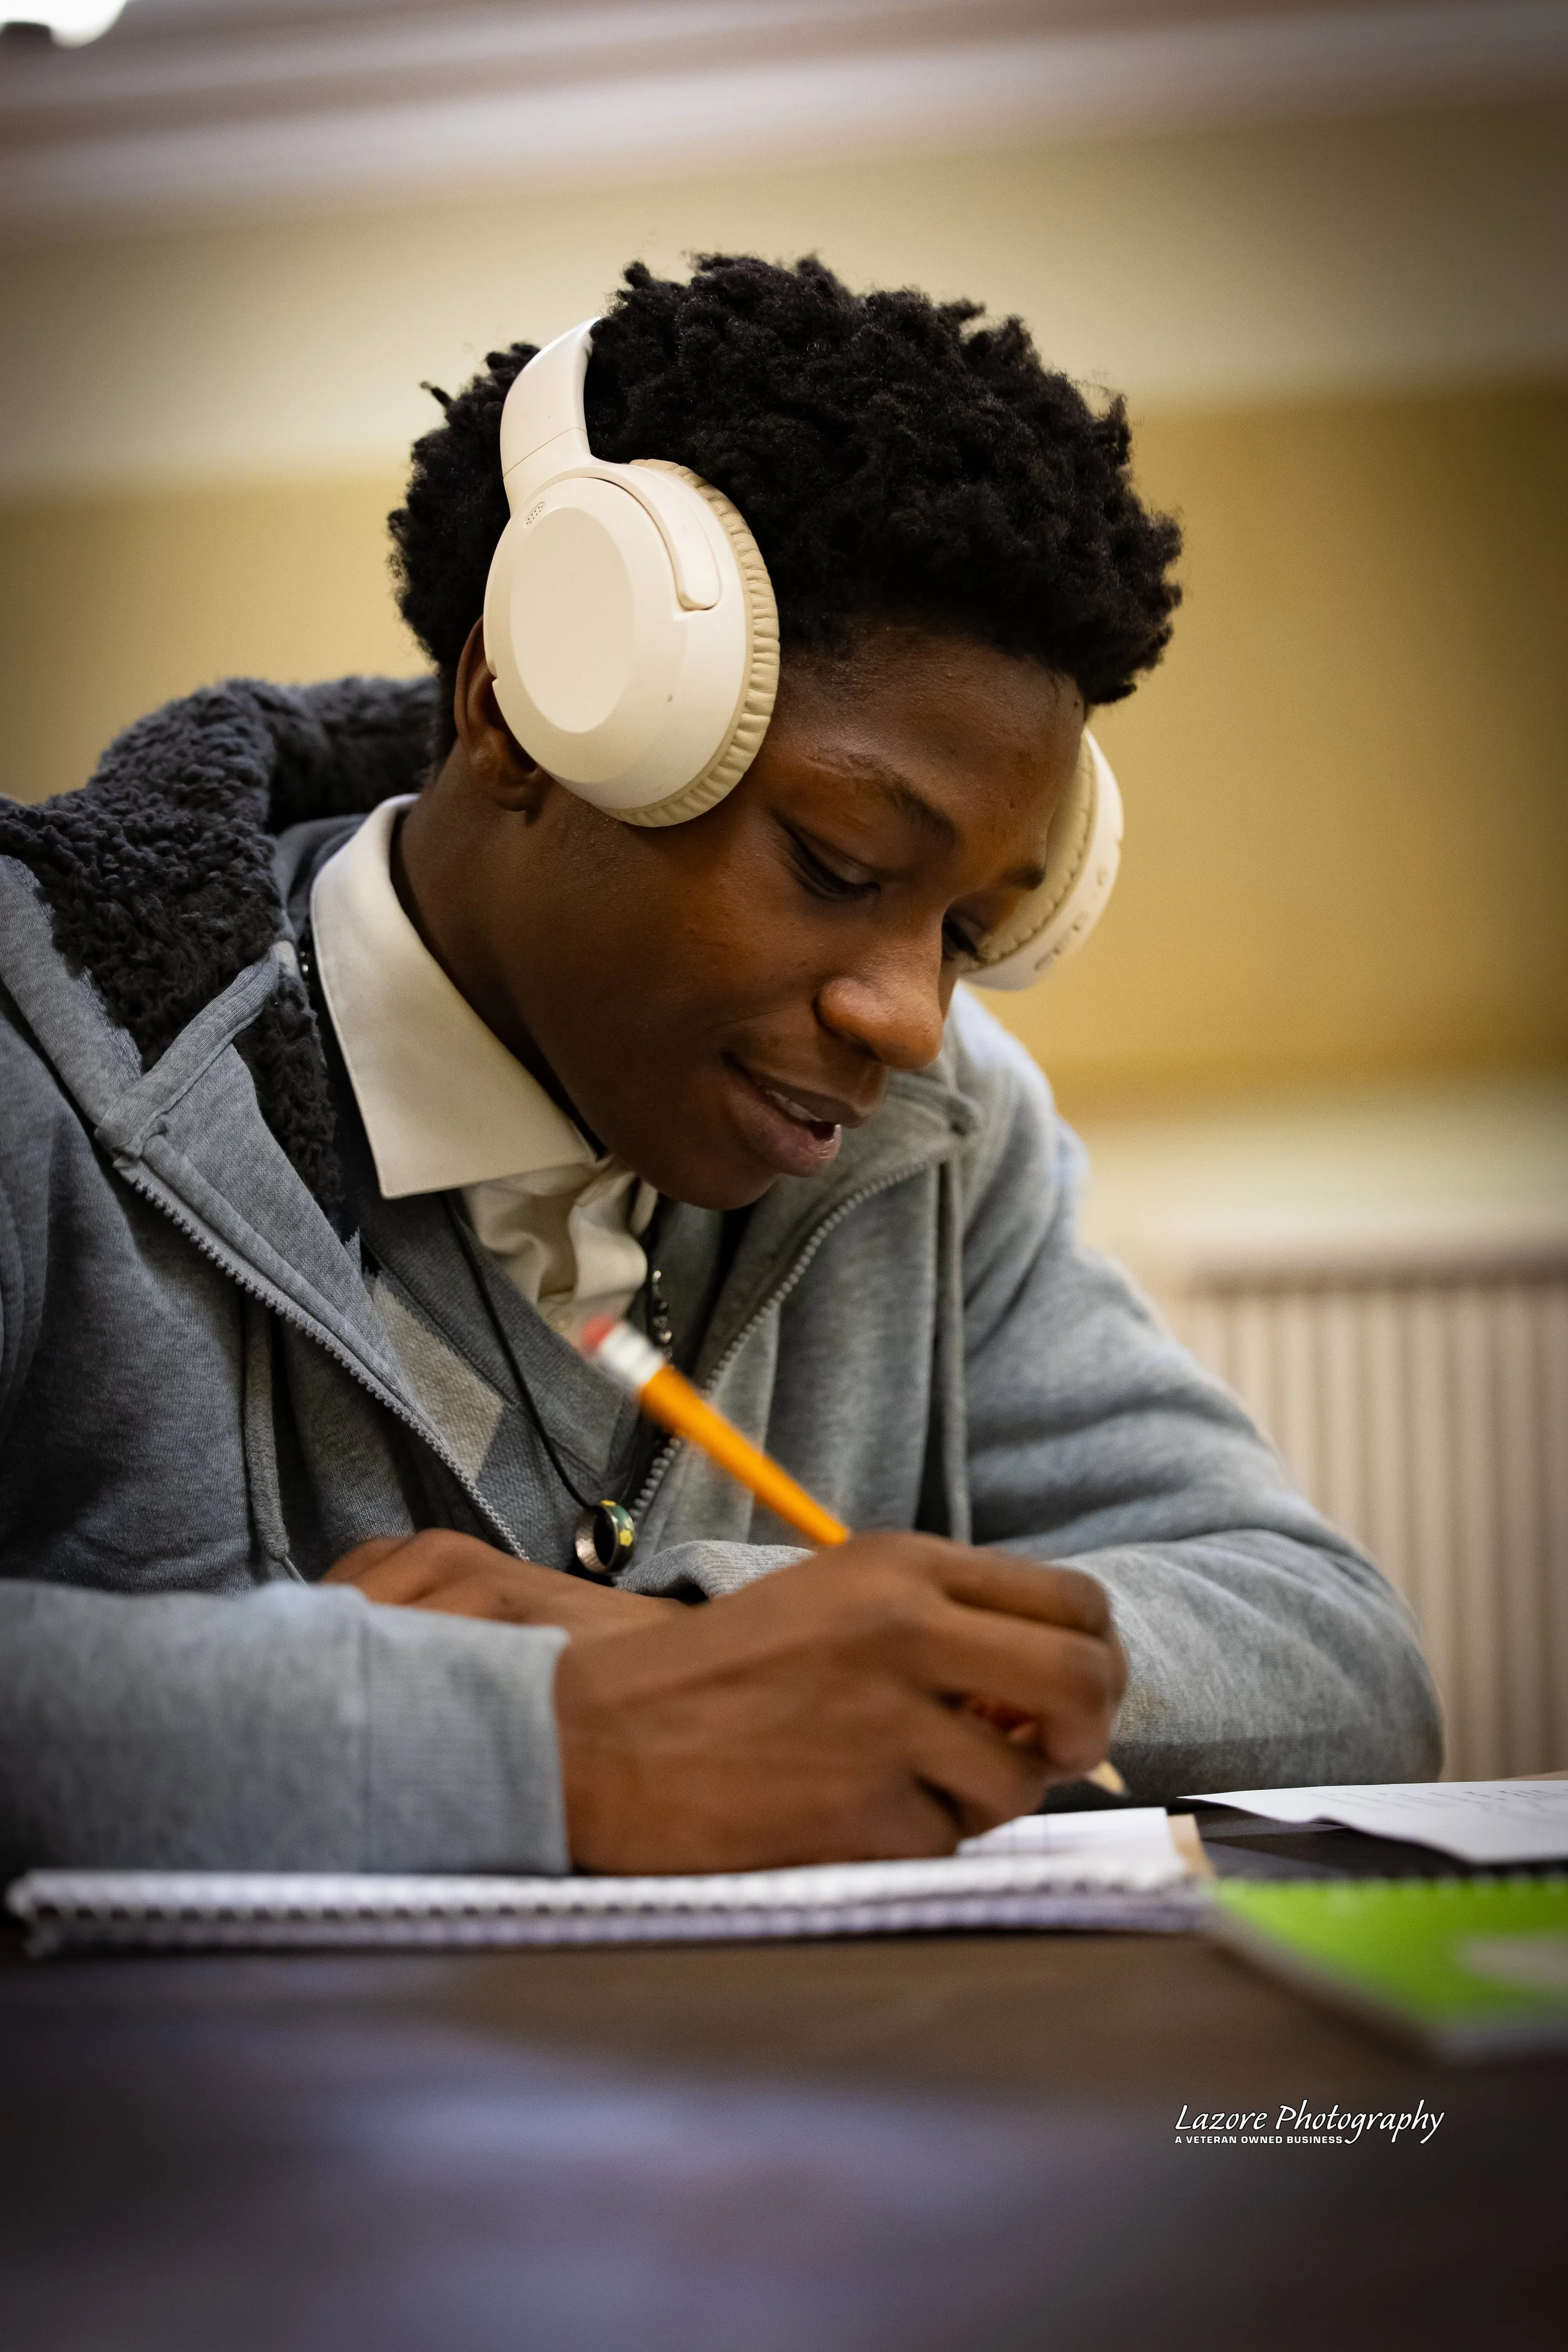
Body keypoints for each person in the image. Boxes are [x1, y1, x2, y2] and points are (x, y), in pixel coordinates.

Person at [0, 256, 1439, 1880]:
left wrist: (720, 1645)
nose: (909, 1017)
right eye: (836, 865)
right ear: (520, 716)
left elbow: (1340, 1661)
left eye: (969, 927)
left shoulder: (947, 1140)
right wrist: (542, 1738)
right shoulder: (46, 1043)